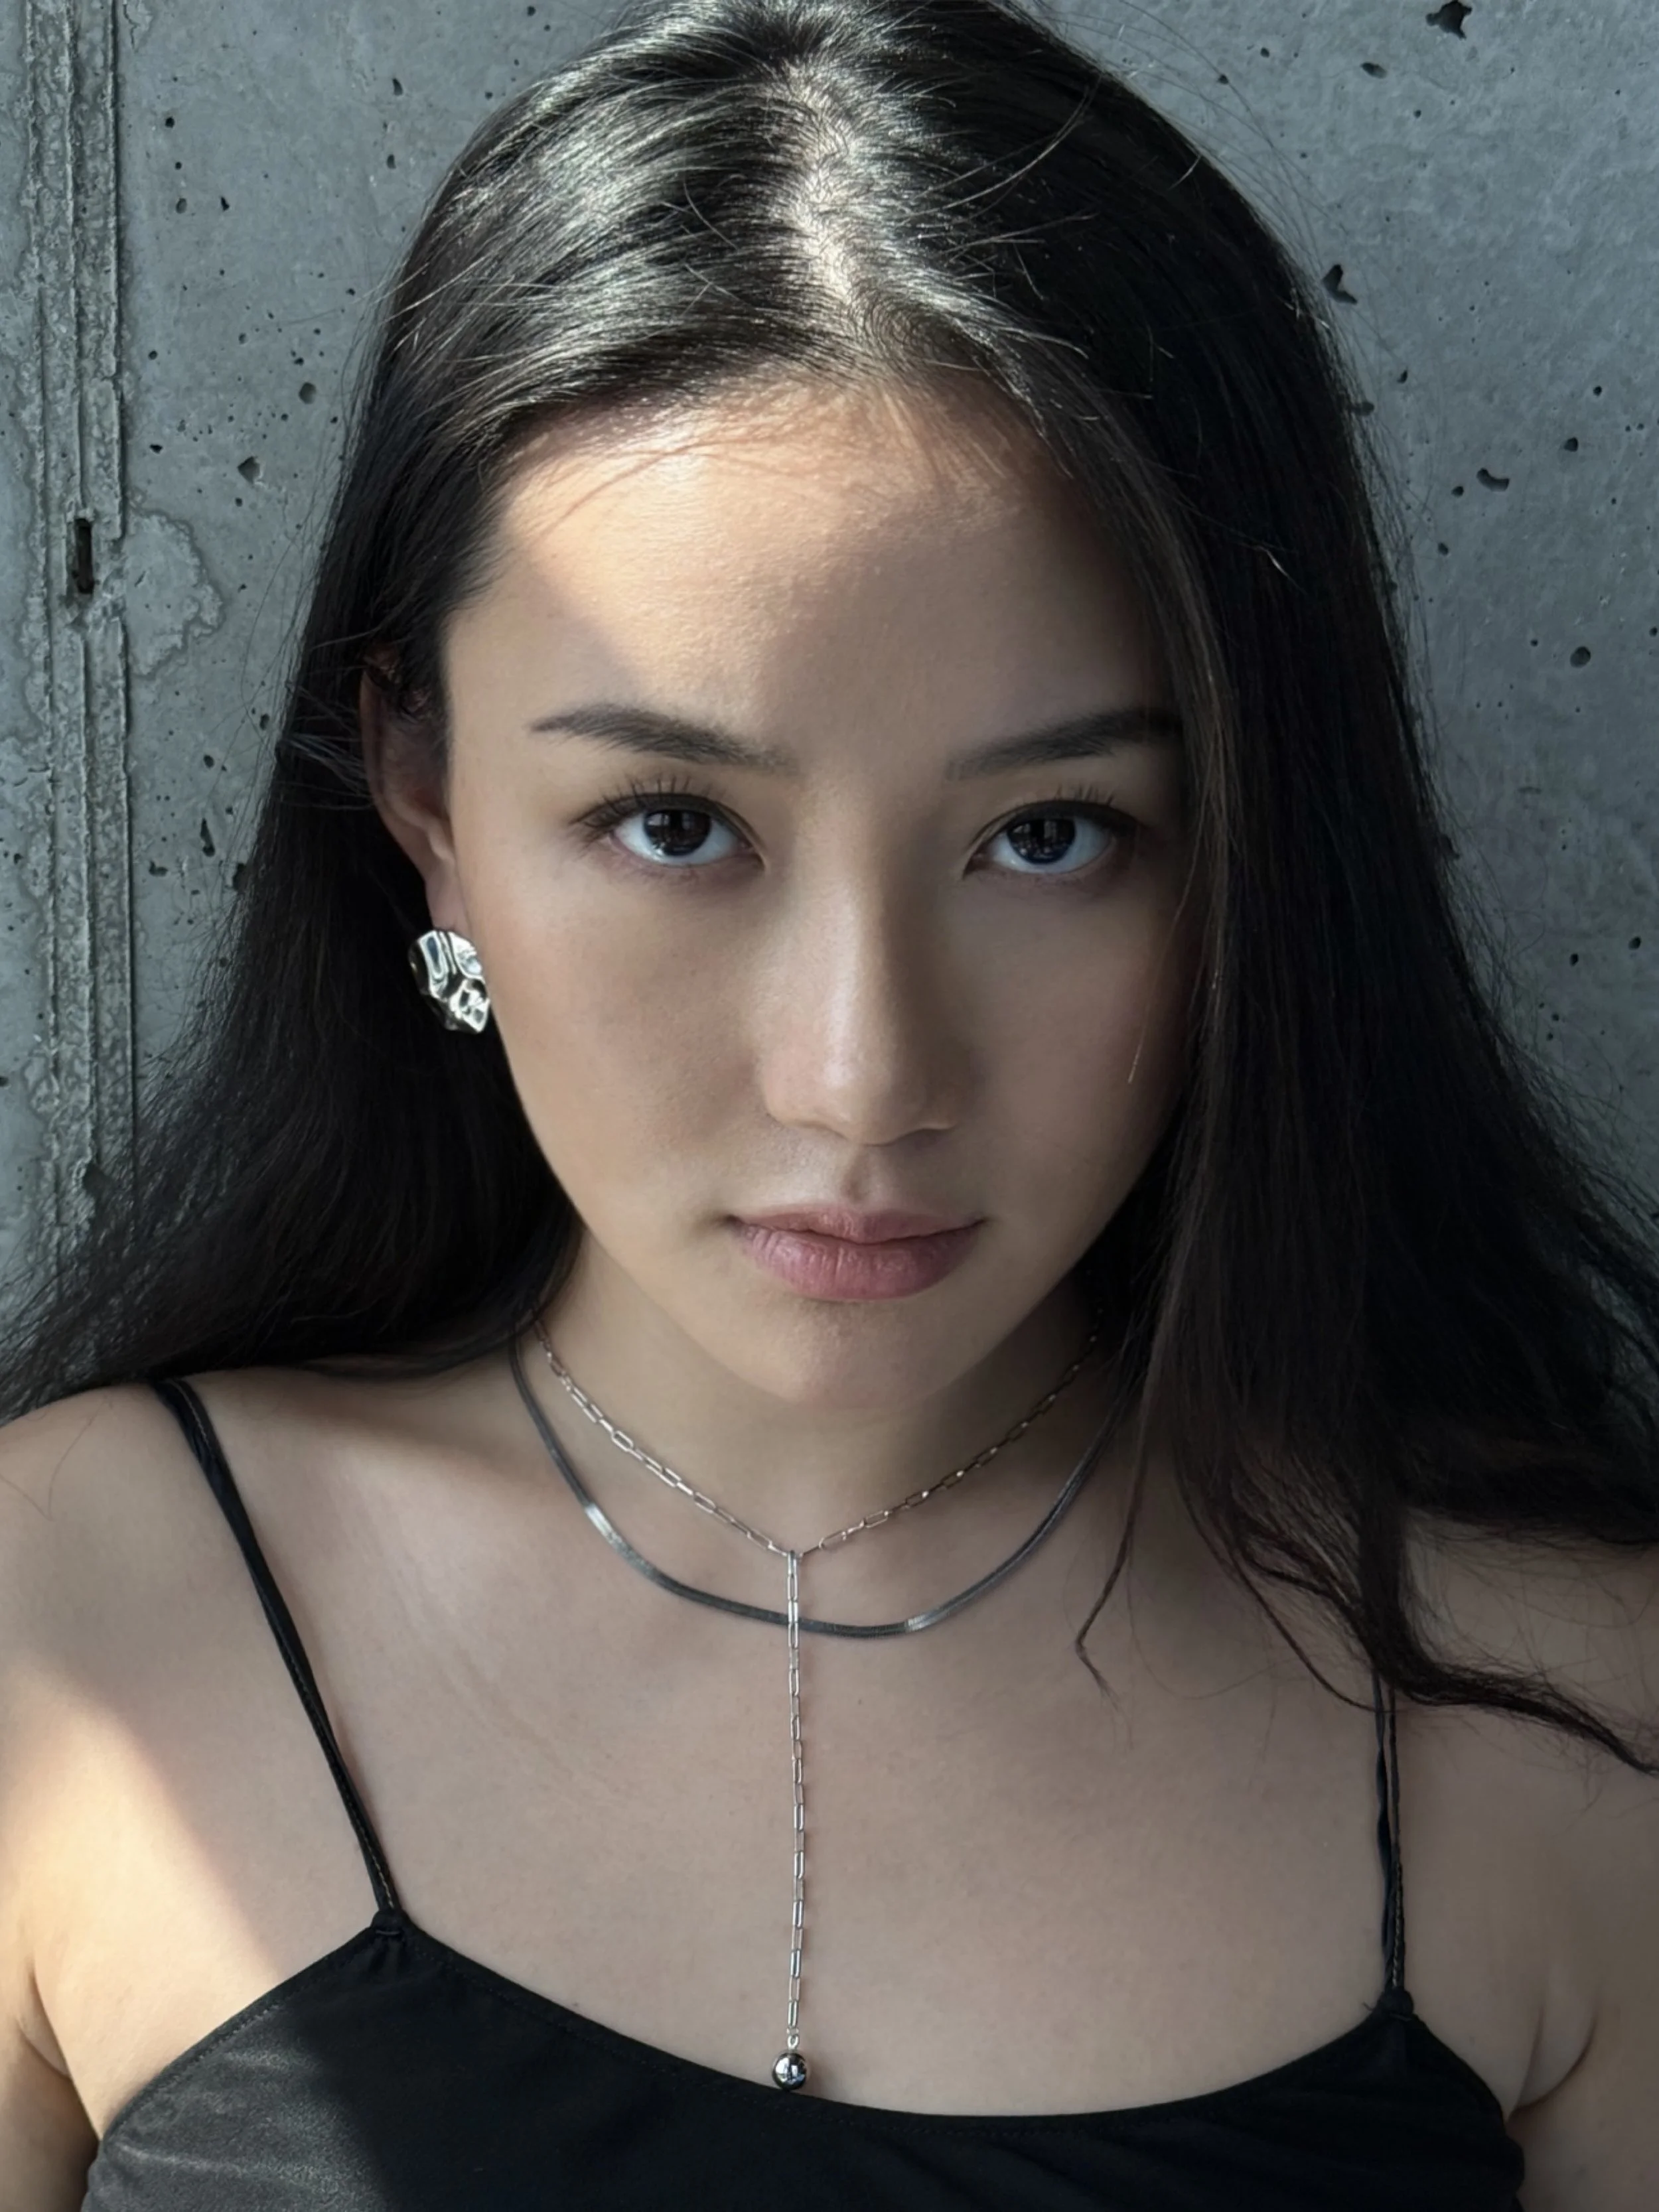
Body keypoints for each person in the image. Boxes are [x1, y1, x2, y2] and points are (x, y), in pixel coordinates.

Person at [2, 0, 1656, 2202]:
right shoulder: (70, 1620)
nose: (861, 1071)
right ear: (423, 789)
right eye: (678, 823)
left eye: (1049, 833)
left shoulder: (1567, 1724)